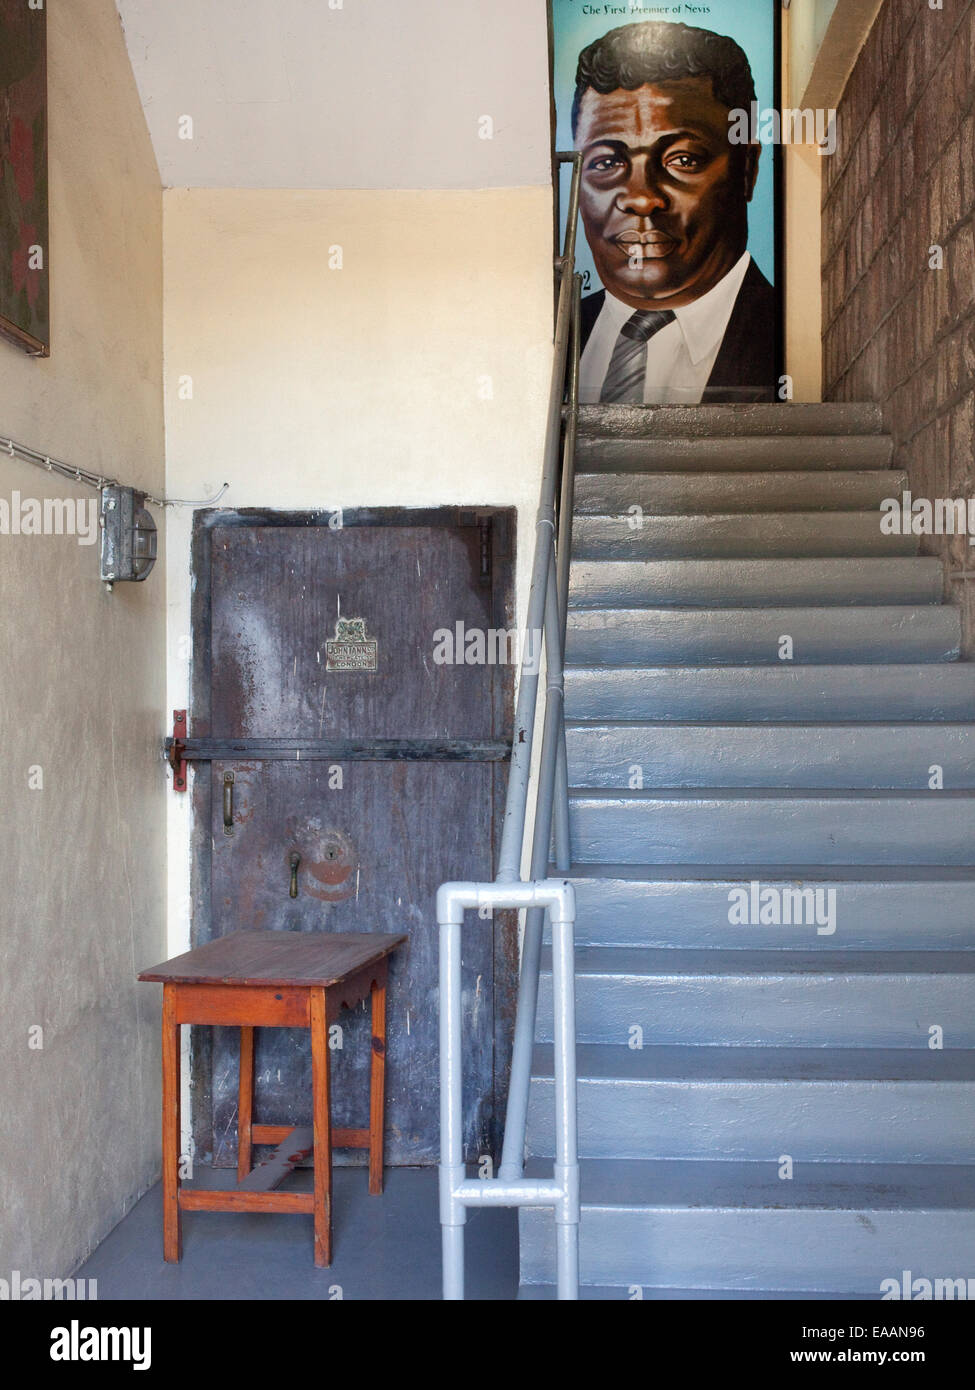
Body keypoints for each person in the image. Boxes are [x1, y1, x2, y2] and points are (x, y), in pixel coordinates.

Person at [573, 20, 776, 404]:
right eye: (606, 163)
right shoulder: (552, 337)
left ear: (747, 169)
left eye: (682, 159)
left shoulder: (787, 334)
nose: (641, 198)